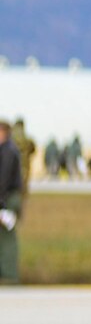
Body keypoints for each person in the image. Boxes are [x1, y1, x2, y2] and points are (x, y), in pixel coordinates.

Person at [0, 118, 23, 284]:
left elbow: (4, 179)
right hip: (7, 198)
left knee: (7, 238)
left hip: (8, 199)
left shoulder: (8, 151)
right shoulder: (8, 149)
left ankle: (9, 275)